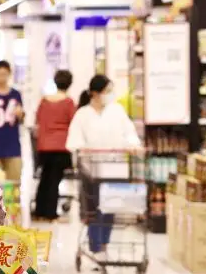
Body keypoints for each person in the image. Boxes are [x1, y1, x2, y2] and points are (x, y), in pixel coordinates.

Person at [66, 74, 140, 262]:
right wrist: (82, 149)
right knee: (94, 207)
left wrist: (133, 145)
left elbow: (129, 133)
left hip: (115, 167)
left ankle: (104, 245)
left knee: (110, 206)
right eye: (107, 91)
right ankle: (95, 246)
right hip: (91, 169)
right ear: (94, 93)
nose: (110, 94)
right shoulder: (82, 114)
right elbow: (74, 141)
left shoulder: (117, 111)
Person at [34, 69, 75, 221]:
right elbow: (73, 123)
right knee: (54, 180)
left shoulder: (44, 101)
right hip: (61, 147)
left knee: (44, 178)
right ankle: (50, 212)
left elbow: (38, 120)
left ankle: (39, 211)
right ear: (70, 84)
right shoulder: (69, 102)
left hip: (44, 146)